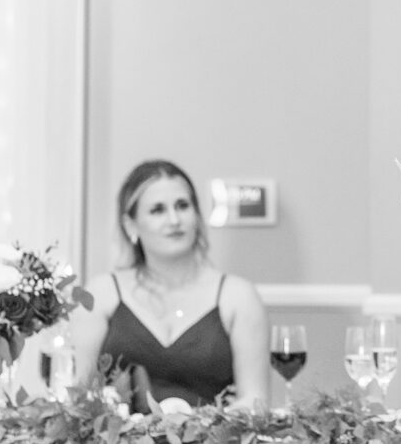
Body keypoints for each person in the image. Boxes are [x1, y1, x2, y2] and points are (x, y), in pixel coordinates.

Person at [73, 160, 269, 412]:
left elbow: (255, 402)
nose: (174, 219)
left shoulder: (238, 296)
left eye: (183, 206)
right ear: (130, 225)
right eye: (157, 210)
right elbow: (78, 398)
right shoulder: (101, 293)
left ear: (197, 217)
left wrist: (202, 422)